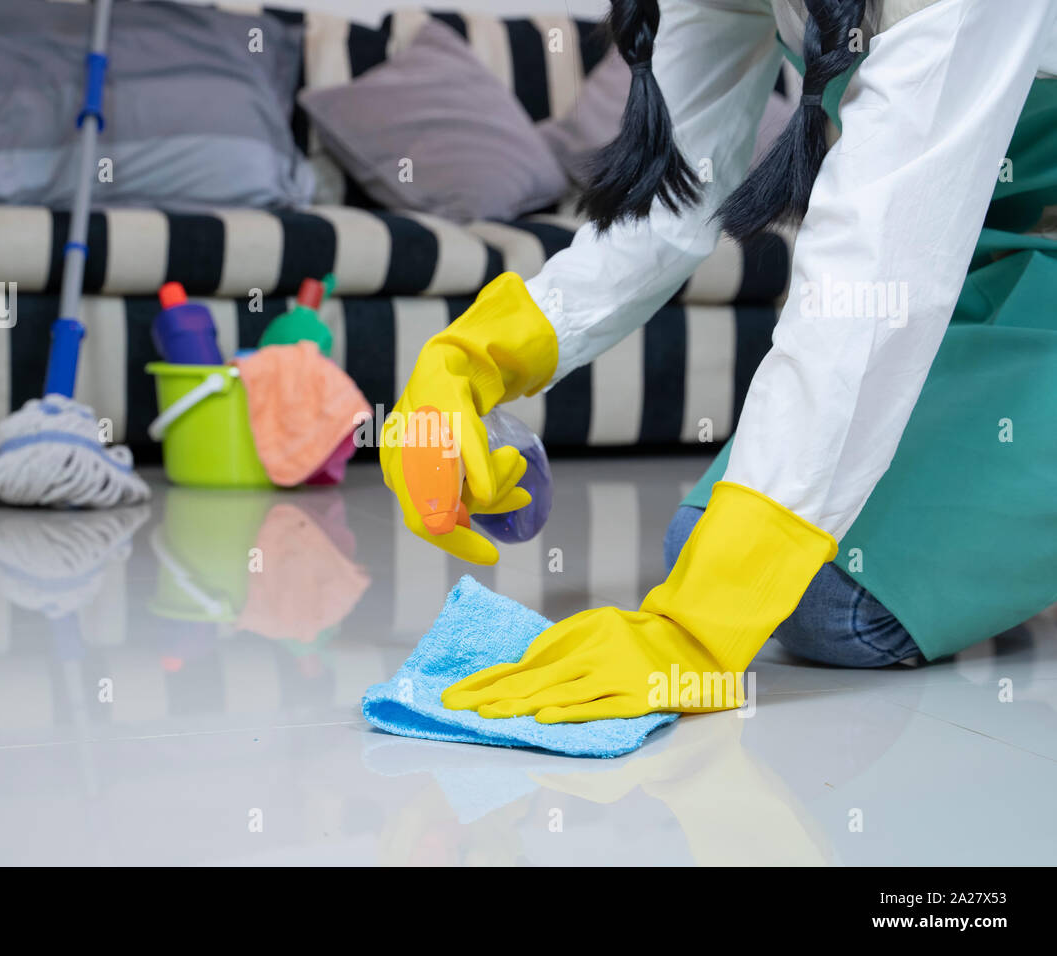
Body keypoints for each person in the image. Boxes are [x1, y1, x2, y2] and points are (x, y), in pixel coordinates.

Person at [380, 0, 1057, 720]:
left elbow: (869, 285)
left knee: (832, 605)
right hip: (973, 271)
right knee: (703, 553)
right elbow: (668, 205)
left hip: (963, 276)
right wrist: (479, 355)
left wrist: (695, 635)